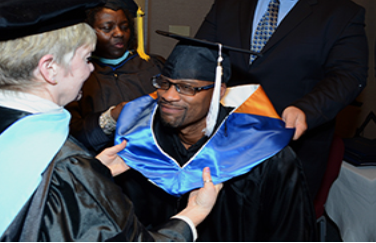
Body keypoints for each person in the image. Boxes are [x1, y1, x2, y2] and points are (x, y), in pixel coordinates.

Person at [0, 0, 222, 241]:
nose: (90, 69)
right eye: (86, 58)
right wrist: (191, 215)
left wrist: (93, 173)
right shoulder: (68, 164)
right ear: (49, 68)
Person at [114, 32, 317, 242]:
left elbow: (291, 232)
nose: (168, 95)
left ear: (219, 91)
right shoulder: (141, 144)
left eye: (187, 87)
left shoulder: (266, 154)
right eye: (164, 83)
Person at [194, 0, 369, 201]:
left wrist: (307, 109)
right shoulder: (229, 4)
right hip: (220, 142)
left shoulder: (342, 12)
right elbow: (201, 56)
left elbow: (348, 75)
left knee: (279, 228)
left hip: (290, 149)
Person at [66, 0, 165, 155]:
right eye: (107, 28)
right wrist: (110, 118)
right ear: (87, 32)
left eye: (124, 27)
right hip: (102, 167)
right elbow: (73, 134)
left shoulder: (154, 66)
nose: (119, 33)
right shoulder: (76, 75)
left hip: (155, 162)